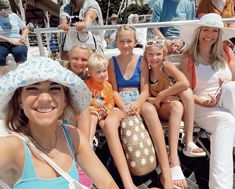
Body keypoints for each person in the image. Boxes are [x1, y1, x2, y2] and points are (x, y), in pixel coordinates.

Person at [0, 57, 119, 189]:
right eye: (33, 88)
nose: (45, 97)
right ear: (19, 100)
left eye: (54, 88)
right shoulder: (11, 147)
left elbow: (108, 184)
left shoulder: (72, 136)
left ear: (65, 100)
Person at [103, 25, 173, 189]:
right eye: (122, 41)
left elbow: (145, 89)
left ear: (135, 42)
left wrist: (135, 105)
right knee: (109, 124)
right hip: (120, 100)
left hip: (138, 99)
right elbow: (113, 90)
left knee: (150, 111)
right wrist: (124, 107)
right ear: (116, 43)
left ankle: (167, 175)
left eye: (129, 41)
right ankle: (127, 182)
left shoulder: (141, 61)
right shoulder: (111, 63)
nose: (126, 45)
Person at [180, 13, 235, 189]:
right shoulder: (189, 57)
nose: (209, 35)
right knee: (227, 121)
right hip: (200, 105)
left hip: (227, 101)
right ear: (199, 32)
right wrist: (203, 101)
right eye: (205, 30)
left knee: (231, 88)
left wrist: (224, 85)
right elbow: (185, 90)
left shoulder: (226, 52)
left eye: (214, 31)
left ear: (219, 34)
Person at [144, 39, 206, 189]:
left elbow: (185, 83)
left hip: (166, 106)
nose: (154, 58)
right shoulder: (145, 68)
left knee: (182, 98)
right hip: (152, 107)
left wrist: (163, 94)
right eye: (151, 54)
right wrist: (159, 98)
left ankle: (181, 150)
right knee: (178, 102)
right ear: (145, 56)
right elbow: (143, 96)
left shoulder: (166, 66)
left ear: (164, 54)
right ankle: (174, 160)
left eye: (158, 54)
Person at [63, 44, 94, 141]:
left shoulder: (89, 76)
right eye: (75, 58)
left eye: (84, 60)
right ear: (69, 57)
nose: (79, 62)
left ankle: (84, 145)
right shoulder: (61, 73)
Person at [85, 53, 114, 144]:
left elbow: (110, 101)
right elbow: (82, 98)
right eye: (98, 72)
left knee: (105, 123)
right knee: (93, 116)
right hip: (89, 111)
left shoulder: (108, 86)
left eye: (104, 71)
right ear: (90, 73)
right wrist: (93, 101)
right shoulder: (87, 84)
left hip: (101, 113)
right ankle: (89, 142)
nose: (102, 74)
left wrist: (106, 111)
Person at [0, 0, 28, 74]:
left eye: (6, 9)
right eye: (2, 9)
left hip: (17, 41)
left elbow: (25, 28)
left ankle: (22, 75)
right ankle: (5, 77)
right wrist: (9, 40)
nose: (4, 11)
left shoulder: (14, 16)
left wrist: (23, 36)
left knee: (20, 52)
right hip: (2, 42)